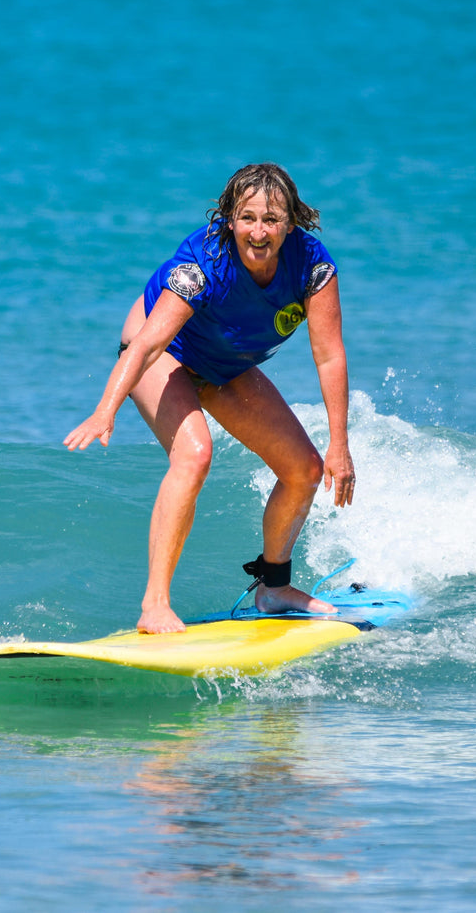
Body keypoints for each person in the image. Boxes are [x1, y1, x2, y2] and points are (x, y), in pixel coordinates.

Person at [63, 163, 356, 634]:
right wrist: (105, 410)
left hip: (225, 364)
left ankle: (273, 588)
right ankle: (154, 605)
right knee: (194, 454)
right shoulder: (203, 263)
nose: (259, 232)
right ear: (229, 219)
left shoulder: (314, 268)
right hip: (166, 355)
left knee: (305, 469)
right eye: (248, 218)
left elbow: (329, 356)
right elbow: (147, 345)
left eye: (272, 219)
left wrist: (339, 444)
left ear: (291, 222)